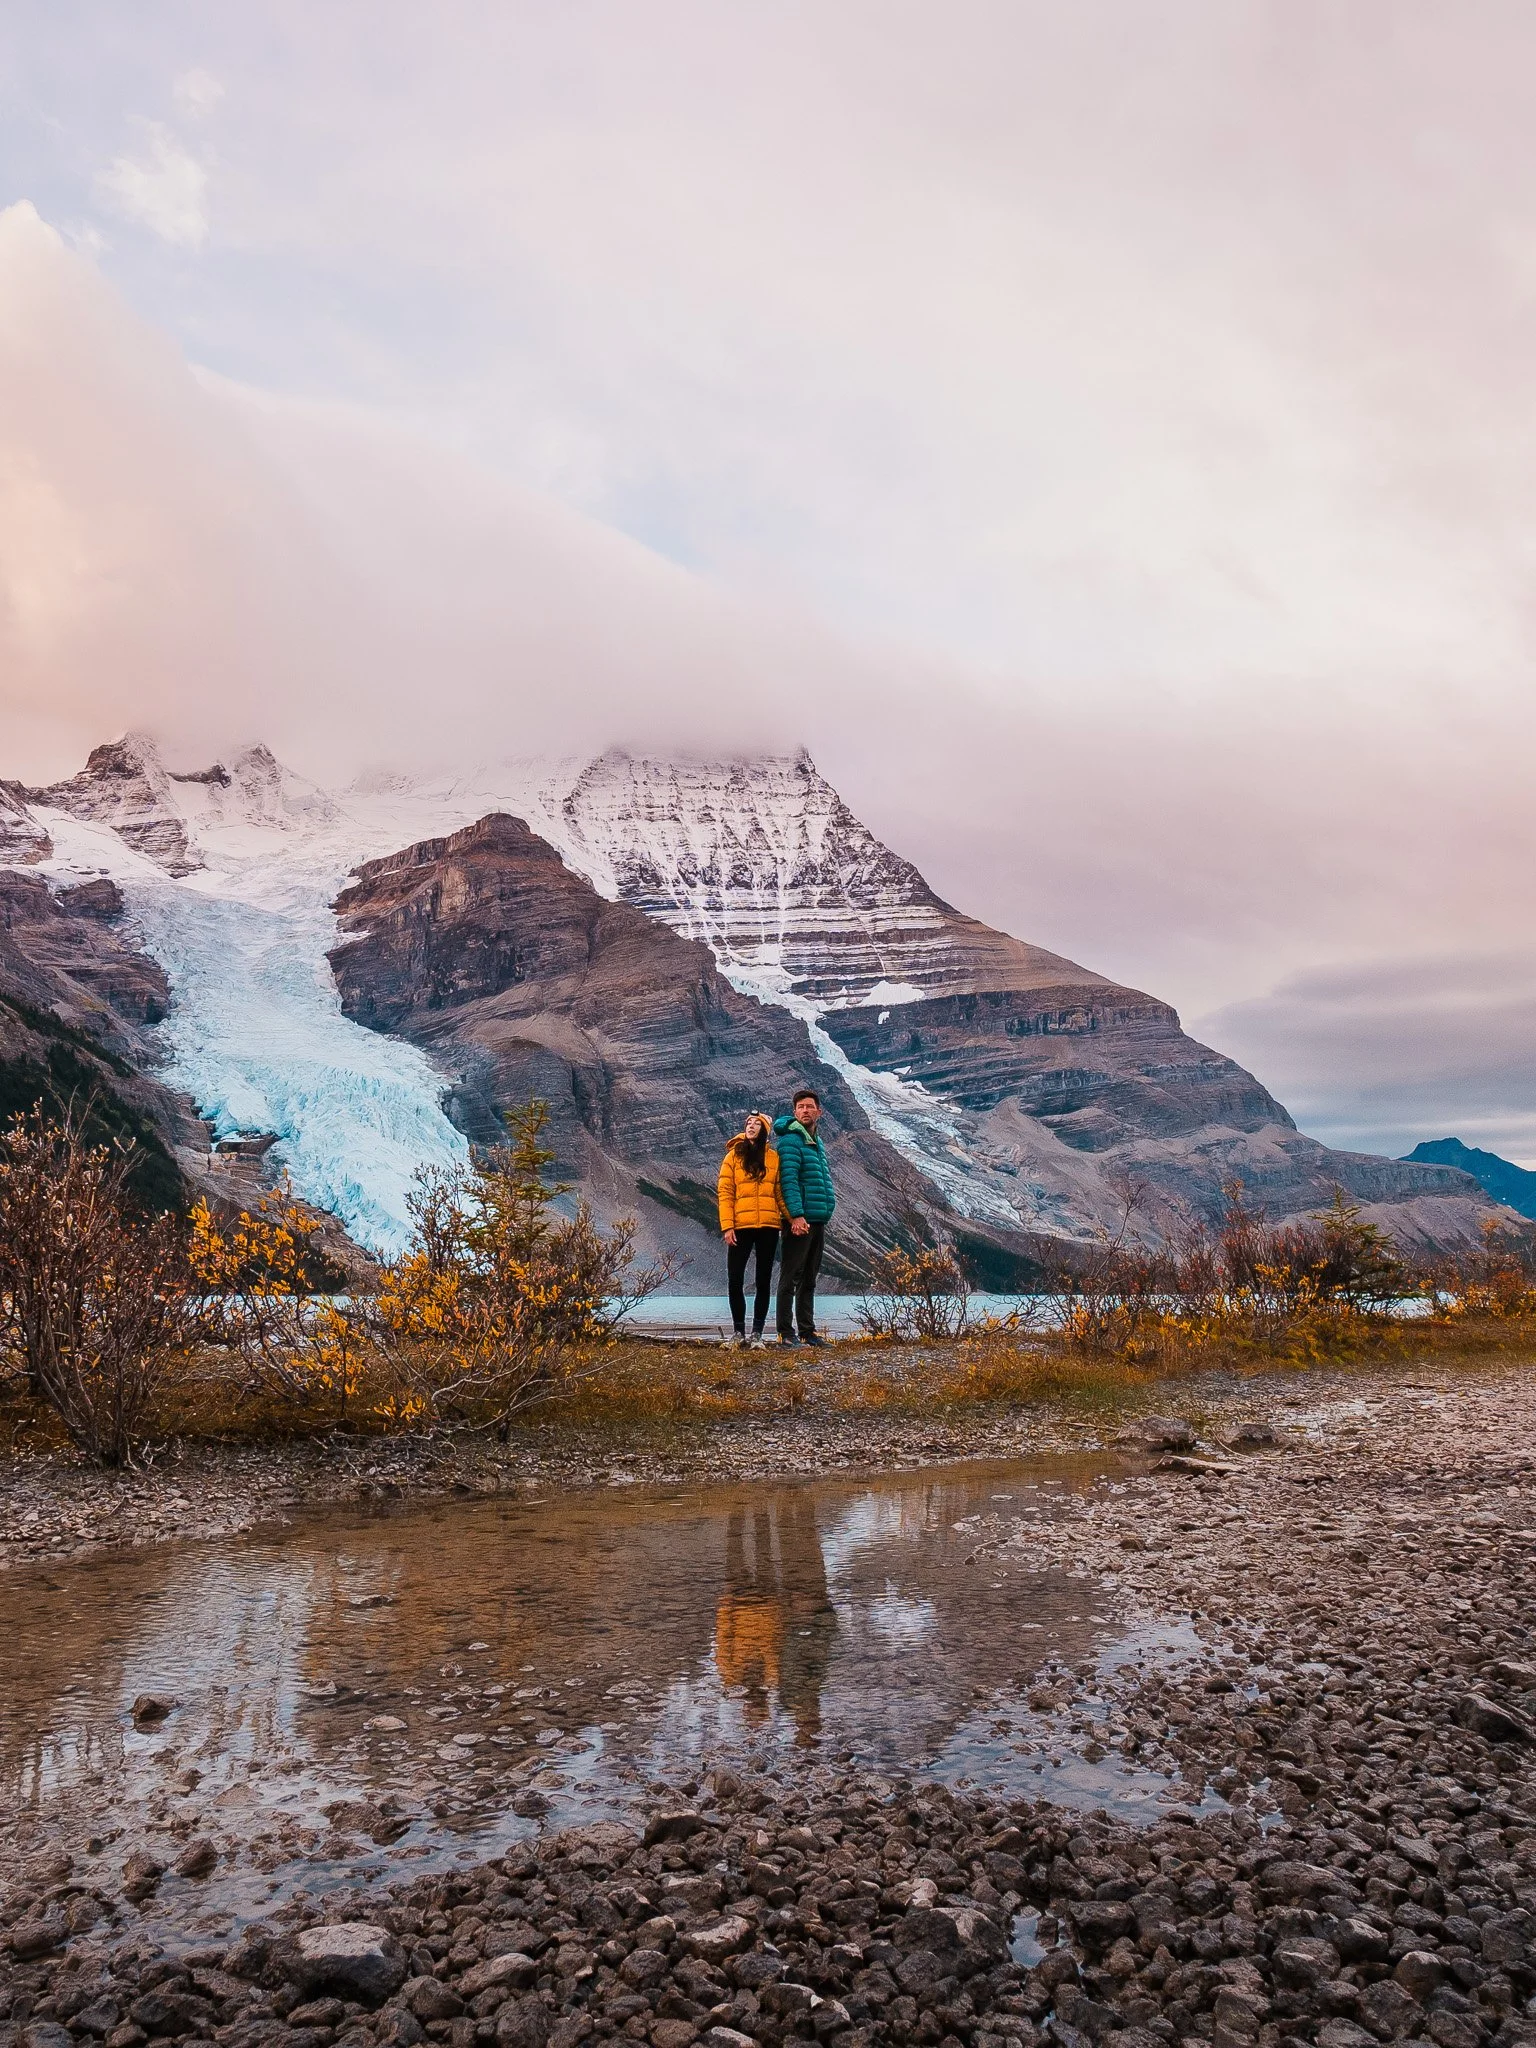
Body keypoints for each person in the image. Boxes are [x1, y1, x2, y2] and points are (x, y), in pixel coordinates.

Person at [773, 1089, 836, 1346]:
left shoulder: (816, 1142)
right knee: (790, 1276)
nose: (805, 1110)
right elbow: (788, 1180)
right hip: (800, 1221)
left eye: (810, 1106)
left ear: (819, 1112)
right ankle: (786, 1334)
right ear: (795, 1112)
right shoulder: (790, 1140)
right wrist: (796, 1216)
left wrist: (827, 1208)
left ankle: (807, 1332)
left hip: (817, 1218)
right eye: (800, 1107)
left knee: (809, 1277)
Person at [716, 1111, 785, 1345]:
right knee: (735, 1278)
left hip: (768, 1226)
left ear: (765, 1130)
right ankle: (738, 1332)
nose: (751, 1126)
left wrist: (791, 1218)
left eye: (757, 1123)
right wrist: (728, 1226)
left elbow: (779, 1192)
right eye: (749, 1123)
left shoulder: (774, 1158)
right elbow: (726, 1193)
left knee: (763, 1280)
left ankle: (757, 1334)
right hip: (741, 1226)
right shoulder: (733, 1157)